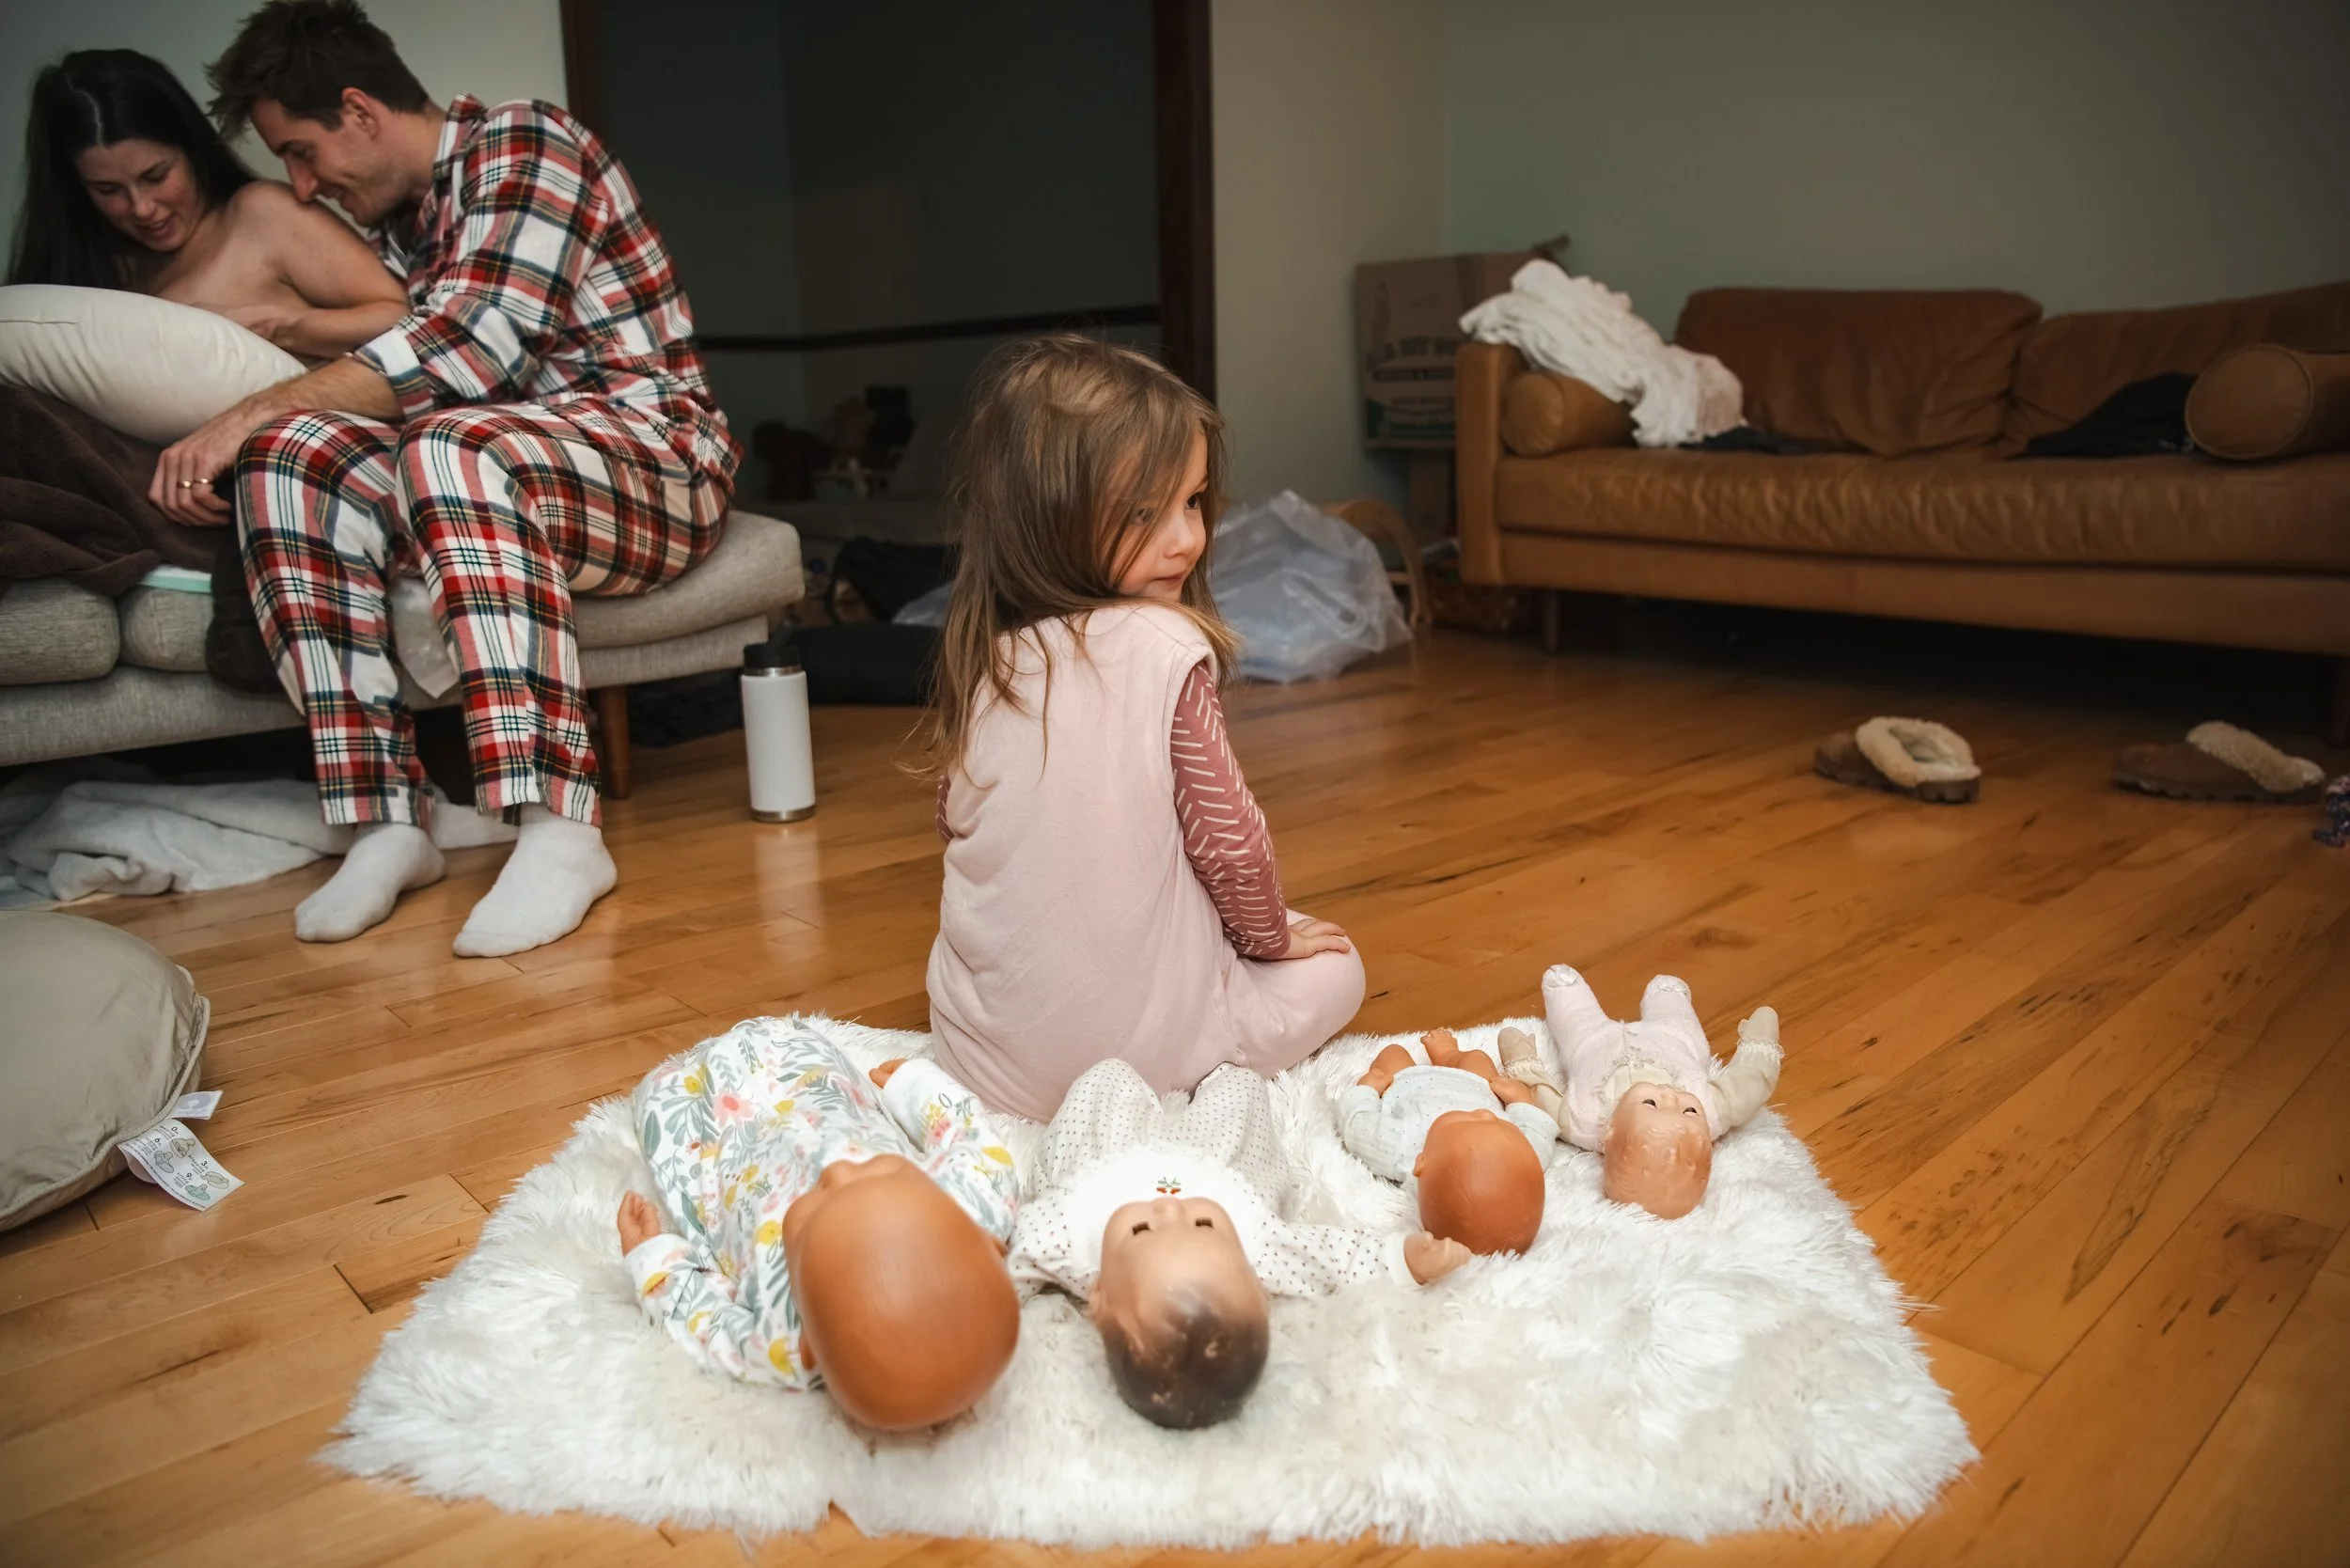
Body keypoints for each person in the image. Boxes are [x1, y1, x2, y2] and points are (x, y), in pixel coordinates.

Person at [149, 0, 740, 956]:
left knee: (444, 442)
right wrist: (266, 415)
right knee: (286, 458)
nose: (301, 186)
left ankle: (560, 828)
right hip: (506, 471)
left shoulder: (528, 143)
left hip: (656, 460)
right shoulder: (392, 232)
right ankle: (389, 819)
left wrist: (245, 408)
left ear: (359, 110)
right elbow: (380, 370)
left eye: (301, 152)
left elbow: (472, 346)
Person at [920, 335, 1366, 1122]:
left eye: (1192, 501)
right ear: (1050, 520)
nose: (1187, 538)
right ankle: (1193, 1057)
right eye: (1143, 513)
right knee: (1337, 963)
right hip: (1144, 1065)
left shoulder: (987, 660)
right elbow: (1230, 846)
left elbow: (959, 824)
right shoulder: (1167, 647)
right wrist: (1270, 941)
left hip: (983, 1067)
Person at [1011, 1058, 1468, 1430]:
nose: (1171, 1209)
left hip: (1107, 1157)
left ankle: (1129, 1079)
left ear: (1099, 1299)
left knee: (1104, 1077)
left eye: (1141, 1230)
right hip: (1215, 1162)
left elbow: (1004, 1271)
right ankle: (1222, 1072)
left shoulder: (1063, 1234)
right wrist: (1400, 1259)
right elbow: (1324, 1257)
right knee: (1244, 1087)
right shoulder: (1255, 1247)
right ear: (1255, 1276)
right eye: (1203, 1225)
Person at [616, 1019, 1022, 1431]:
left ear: (809, 1346)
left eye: (812, 1213)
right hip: (817, 1098)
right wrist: (917, 1088)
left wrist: (654, 1261)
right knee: (790, 1047)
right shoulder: (976, 1200)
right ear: (990, 1241)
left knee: (666, 1104)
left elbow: (709, 1325)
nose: (837, 1171)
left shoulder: (781, 1339)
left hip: (727, 1152)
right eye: (883, 1175)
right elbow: (970, 1135)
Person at [8, 47, 409, 358]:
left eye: (156, 176)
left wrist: (280, 326)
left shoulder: (261, 214)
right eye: (108, 190)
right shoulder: (102, 276)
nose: (142, 208)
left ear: (192, 152)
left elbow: (403, 316)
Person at [1340, 1027, 1555, 1255]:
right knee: (1478, 1058)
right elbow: (1539, 1133)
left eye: (1467, 1122)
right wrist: (1521, 1100)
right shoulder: (1524, 1158)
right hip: (1476, 1084)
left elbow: (1358, 1125)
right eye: (1496, 1123)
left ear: (1421, 1162)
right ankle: (1447, 1055)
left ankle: (1440, 1057)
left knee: (1393, 1053)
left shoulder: (1401, 1146)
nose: (1486, 1115)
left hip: (1408, 1081)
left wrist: (1367, 1089)